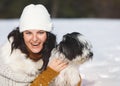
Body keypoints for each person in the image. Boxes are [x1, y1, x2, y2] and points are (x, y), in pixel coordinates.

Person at [0, 4, 68, 86]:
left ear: (47, 34)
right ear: (22, 35)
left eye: (40, 32)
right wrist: (49, 74)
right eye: (28, 33)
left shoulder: (53, 56)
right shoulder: (6, 61)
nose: (35, 39)